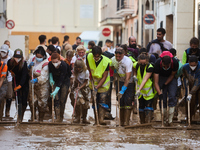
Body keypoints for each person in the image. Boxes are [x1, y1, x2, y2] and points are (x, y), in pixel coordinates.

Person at [86, 46, 111, 125]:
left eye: (98, 56)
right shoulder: (89, 56)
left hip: (103, 85)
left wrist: (97, 88)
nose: (96, 58)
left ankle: (101, 119)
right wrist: (90, 72)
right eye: (95, 56)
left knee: (102, 101)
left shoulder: (106, 62)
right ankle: (96, 120)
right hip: (93, 83)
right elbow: (88, 64)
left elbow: (104, 77)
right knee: (94, 101)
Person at [110, 47, 134, 126]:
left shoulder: (128, 61)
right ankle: (121, 122)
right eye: (117, 56)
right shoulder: (113, 59)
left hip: (129, 82)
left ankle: (126, 122)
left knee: (128, 100)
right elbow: (112, 66)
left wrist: (122, 90)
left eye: (120, 57)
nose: (118, 58)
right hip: (119, 81)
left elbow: (128, 78)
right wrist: (115, 72)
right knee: (120, 101)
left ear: (123, 55)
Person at [154, 51, 179, 126]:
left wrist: (166, 84)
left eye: (167, 66)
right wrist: (159, 93)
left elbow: (172, 75)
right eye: (164, 66)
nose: (165, 68)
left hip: (171, 78)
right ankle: (163, 119)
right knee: (163, 98)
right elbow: (156, 82)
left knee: (172, 95)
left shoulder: (175, 63)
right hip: (160, 77)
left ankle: (170, 120)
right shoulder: (157, 63)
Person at [28, 46, 49, 122]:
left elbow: (44, 76)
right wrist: (29, 66)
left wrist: (37, 79)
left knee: (42, 102)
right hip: (32, 83)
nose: (38, 58)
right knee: (32, 100)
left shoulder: (46, 63)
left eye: (40, 57)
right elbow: (28, 67)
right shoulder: (32, 59)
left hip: (42, 84)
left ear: (43, 56)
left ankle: (41, 118)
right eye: (37, 56)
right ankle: (33, 116)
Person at [7, 49, 29, 122]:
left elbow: (24, 75)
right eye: (16, 57)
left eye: (19, 57)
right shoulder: (10, 62)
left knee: (24, 100)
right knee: (18, 99)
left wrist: (20, 85)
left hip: (24, 83)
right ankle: (19, 116)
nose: (17, 59)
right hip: (15, 80)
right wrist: (11, 71)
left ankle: (22, 113)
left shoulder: (24, 63)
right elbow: (8, 68)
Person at [48, 53, 71, 122]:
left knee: (62, 100)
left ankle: (61, 117)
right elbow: (50, 72)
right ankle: (57, 117)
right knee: (56, 99)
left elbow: (62, 77)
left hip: (64, 81)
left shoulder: (64, 65)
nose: (55, 63)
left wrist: (56, 89)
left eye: (56, 62)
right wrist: (51, 79)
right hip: (55, 81)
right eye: (53, 62)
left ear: (59, 60)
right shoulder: (50, 64)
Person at [134, 53, 155, 123]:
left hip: (148, 91)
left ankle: (148, 122)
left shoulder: (150, 67)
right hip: (140, 93)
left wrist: (138, 90)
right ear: (139, 61)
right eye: (141, 63)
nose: (142, 64)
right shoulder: (137, 65)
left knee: (148, 106)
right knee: (141, 106)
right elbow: (133, 67)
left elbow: (145, 79)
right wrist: (134, 75)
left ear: (147, 61)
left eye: (144, 63)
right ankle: (142, 122)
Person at [70, 58, 91, 124]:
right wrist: (76, 83)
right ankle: (77, 118)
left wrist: (81, 87)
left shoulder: (86, 72)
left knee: (85, 104)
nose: (78, 69)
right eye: (77, 67)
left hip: (85, 87)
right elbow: (75, 77)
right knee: (78, 102)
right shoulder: (75, 70)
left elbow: (85, 82)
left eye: (80, 67)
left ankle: (84, 118)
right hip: (77, 86)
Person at [182, 55, 200, 123]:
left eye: (194, 65)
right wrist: (188, 92)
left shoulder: (199, 68)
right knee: (189, 101)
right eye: (191, 65)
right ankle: (189, 117)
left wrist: (191, 93)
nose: (192, 67)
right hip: (190, 84)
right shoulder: (185, 67)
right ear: (189, 63)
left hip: (198, 84)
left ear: (197, 63)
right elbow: (184, 77)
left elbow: (198, 82)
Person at [0, 44, 13, 117]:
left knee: (9, 95)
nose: (2, 54)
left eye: (4, 52)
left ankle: (7, 111)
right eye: (1, 52)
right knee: (1, 96)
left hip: (8, 79)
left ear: (7, 52)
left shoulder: (9, 60)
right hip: (1, 77)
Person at [0, 56, 8, 121]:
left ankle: (0, 116)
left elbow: (2, 79)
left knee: (1, 96)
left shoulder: (4, 66)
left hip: (2, 81)